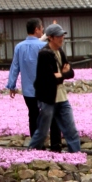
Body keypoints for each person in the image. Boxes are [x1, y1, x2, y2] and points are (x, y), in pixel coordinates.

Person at [7, 18, 62, 152]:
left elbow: (15, 67)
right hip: (45, 89)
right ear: (37, 29)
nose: (42, 30)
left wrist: (12, 85)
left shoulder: (19, 47)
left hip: (28, 90)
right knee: (53, 116)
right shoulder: (44, 47)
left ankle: (37, 146)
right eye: (41, 28)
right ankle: (55, 145)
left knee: (33, 116)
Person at [28, 24, 80, 153]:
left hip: (61, 96)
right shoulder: (44, 54)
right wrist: (63, 74)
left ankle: (77, 156)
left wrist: (61, 74)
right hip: (48, 98)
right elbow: (49, 78)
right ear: (50, 38)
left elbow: (71, 72)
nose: (62, 38)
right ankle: (30, 153)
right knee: (43, 131)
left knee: (71, 129)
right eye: (59, 36)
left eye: (62, 35)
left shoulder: (60, 51)